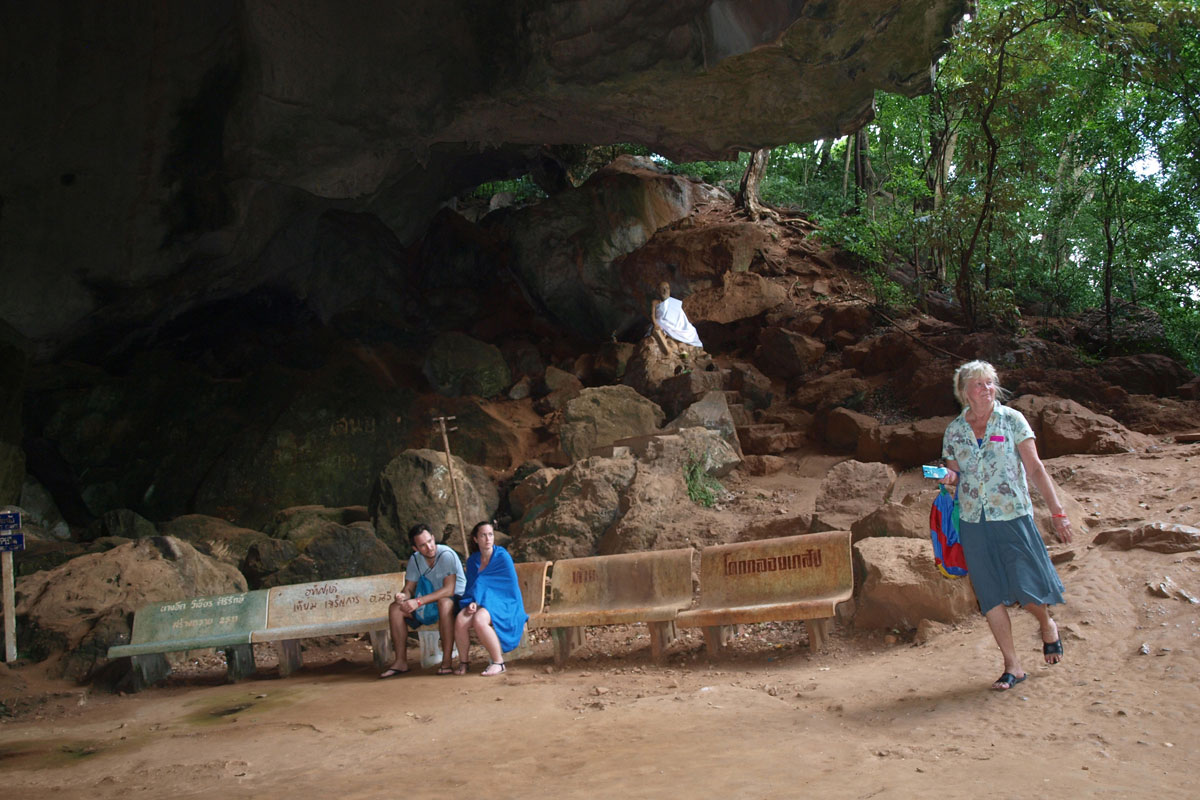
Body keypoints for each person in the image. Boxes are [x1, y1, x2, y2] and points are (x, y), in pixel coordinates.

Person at [939, 360, 1072, 692]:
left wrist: (1058, 512)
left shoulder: (1012, 420)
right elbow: (953, 476)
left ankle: (1046, 623)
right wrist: (948, 478)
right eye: (979, 384)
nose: (987, 389)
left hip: (1012, 515)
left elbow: (1036, 468)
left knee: (1026, 588)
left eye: (990, 383)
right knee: (990, 596)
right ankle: (1013, 666)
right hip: (974, 521)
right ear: (964, 392)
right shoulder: (955, 431)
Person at [379, 523, 466, 677]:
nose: (429, 547)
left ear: (433, 538)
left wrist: (418, 602)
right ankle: (400, 662)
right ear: (415, 548)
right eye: (423, 545)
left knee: (444, 602)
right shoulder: (415, 560)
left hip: (455, 600)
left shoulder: (446, 555)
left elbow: (449, 589)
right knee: (395, 609)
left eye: (430, 542)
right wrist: (403, 596)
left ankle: (446, 662)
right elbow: (409, 588)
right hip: (428, 603)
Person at [452, 521, 529, 676]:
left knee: (479, 620)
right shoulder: (473, 561)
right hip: (482, 601)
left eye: (490, 534)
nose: (488, 539)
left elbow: (509, 588)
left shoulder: (502, 557)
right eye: (483, 535)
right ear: (475, 539)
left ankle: (498, 663)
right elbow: (473, 587)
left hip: (505, 602)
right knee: (460, 619)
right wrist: (473, 602)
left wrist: (480, 602)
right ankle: (464, 662)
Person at [651, 281, 703, 353]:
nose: (665, 291)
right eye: (662, 289)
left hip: (676, 324)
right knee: (660, 325)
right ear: (658, 291)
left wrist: (683, 325)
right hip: (662, 322)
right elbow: (652, 315)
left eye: (667, 288)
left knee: (692, 330)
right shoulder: (655, 302)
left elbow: (682, 317)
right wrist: (655, 324)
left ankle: (687, 345)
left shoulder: (674, 303)